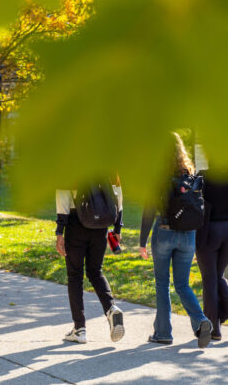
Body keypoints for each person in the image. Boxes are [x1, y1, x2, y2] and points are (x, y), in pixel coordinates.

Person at [140, 132, 212, 347]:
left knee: (162, 284)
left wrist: (142, 241)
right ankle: (201, 320)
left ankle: (163, 333)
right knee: (182, 284)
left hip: (164, 232)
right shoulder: (189, 175)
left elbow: (149, 209)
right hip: (188, 235)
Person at [55, 177, 125, 344]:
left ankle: (79, 329)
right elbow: (118, 196)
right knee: (95, 271)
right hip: (101, 223)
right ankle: (111, 308)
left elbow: (63, 196)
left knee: (75, 275)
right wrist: (117, 228)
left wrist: (59, 232)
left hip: (76, 220)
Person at [195, 168, 228, 341]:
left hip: (209, 230)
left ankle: (213, 328)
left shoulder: (204, 175)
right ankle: (219, 318)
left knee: (209, 279)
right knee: (218, 276)